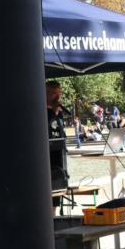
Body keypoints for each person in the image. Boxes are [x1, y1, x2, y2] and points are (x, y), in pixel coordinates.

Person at [46, 81, 70, 212]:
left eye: (59, 93)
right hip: (46, 154)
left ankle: (53, 216)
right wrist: (52, 112)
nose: (57, 96)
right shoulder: (41, 110)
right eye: (54, 93)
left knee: (57, 182)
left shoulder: (58, 111)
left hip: (58, 152)